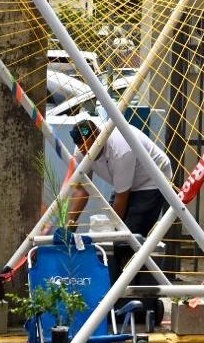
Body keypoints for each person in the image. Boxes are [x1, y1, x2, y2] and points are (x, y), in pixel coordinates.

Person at [68, 119, 175, 283]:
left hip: (152, 179)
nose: (87, 150)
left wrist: (113, 230)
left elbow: (122, 197)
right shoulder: (81, 150)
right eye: (83, 147)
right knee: (115, 239)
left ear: (100, 136)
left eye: (90, 145)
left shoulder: (121, 148)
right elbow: (83, 188)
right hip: (125, 183)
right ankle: (114, 283)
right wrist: (70, 222)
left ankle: (129, 289)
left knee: (128, 237)